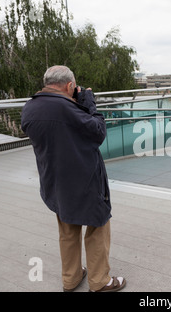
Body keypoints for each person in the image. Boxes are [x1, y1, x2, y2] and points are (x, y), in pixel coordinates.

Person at [21, 65, 126, 292]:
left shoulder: (30, 108)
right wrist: (89, 105)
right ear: (70, 85)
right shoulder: (68, 109)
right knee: (98, 225)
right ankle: (100, 281)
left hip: (54, 181)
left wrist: (75, 106)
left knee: (68, 230)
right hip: (85, 180)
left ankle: (71, 278)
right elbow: (97, 132)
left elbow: (63, 131)